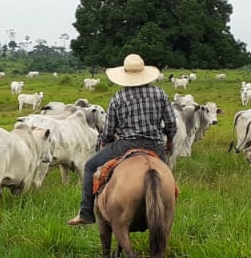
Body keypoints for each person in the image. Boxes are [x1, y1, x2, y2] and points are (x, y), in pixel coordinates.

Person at [67, 54, 176, 226]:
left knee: (89, 166)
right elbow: (170, 122)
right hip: (155, 145)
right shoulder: (160, 93)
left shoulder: (118, 98)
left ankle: (86, 213)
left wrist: (106, 140)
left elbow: (109, 130)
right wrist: (169, 140)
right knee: (165, 178)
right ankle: (168, 206)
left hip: (126, 145)